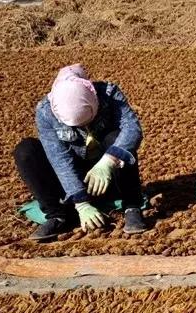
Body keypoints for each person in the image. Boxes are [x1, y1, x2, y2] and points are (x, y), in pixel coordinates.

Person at [14, 64, 147, 241]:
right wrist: (81, 202)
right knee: (25, 150)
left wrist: (109, 160)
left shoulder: (109, 94)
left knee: (116, 137)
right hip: (72, 180)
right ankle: (57, 215)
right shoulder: (45, 112)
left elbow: (132, 129)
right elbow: (59, 158)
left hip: (106, 176)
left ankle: (132, 207)